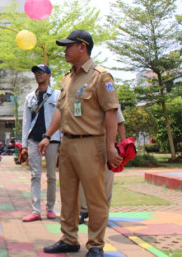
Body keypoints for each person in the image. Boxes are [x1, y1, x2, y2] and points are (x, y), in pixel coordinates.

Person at [38, 30, 123, 257]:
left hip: (91, 143)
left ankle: (96, 245)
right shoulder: (68, 77)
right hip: (67, 143)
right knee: (68, 195)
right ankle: (69, 239)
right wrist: (47, 136)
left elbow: (111, 113)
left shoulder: (100, 76)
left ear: (82, 47)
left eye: (69, 46)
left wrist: (110, 146)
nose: (65, 50)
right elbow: (60, 110)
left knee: (95, 197)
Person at [21, 63, 61, 222]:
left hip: (52, 139)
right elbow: (26, 121)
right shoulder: (30, 97)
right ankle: (35, 210)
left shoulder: (57, 95)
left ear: (49, 75)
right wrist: (24, 145)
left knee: (51, 175)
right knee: (34, 175)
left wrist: (62, 139)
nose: (39, 75)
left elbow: (62, 118)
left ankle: (50, 208)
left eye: (42, 72)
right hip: (33, 140)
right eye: (36, 72)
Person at [79, 105, 127, 224]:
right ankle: (83, 210)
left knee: (106, 179)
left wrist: (123, 145)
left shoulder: (110, 96)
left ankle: (103, 213)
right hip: (85, 143)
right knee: (82, 178)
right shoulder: (81, 95)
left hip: (106, 143)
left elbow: (119, 122)